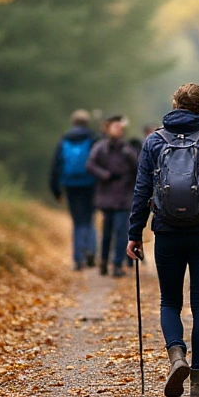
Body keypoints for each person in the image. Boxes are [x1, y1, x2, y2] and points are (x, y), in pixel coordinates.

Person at [127, 84, 199, 397]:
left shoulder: (154, 141)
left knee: (169, 302)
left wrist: (134, 234)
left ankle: (177, 355)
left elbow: (140, 192)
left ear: (174, 105)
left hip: (166, 231)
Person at [87, 114, 139, 277]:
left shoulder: (127, 150)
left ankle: (117, 264)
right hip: (106, 197)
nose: (118, 130)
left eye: (120, 127)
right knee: (107, 232)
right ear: (107, 128)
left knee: (121, 231)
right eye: (115, 127)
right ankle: (103, 261)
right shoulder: (100, 148)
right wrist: (105, 175)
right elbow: (90, 165)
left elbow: (137, 170)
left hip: (124, 198)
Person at [50, 109, 98, 271]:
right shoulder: (92, 139)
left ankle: (78, 258)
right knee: (89, 219)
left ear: (73, 122)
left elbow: (56, 166)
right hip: (90, 184)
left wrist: (56, 191)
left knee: (77, 222)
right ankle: (91, 251)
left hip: (70, 186)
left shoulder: (64, 140)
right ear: (87, 122)